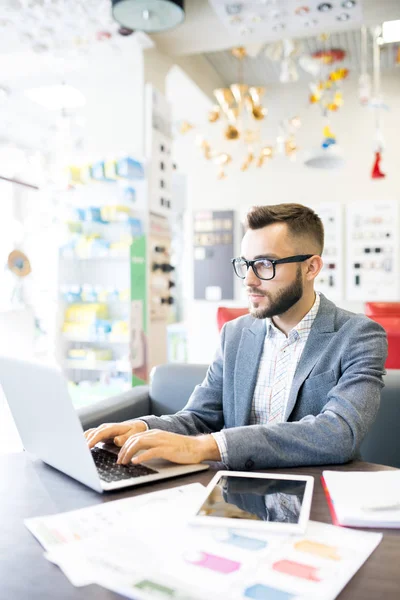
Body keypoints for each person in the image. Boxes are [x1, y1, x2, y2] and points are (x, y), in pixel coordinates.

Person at [85, 203, 388, 471]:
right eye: (245, 264)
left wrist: (207, 447)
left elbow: (338, 433)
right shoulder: (235, 334)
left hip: (317, 493)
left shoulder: (358, 336)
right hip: (235, 494)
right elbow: (199, 419)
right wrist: (141, 425)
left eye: (265, 265)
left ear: (311, 267)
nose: (250, 280)